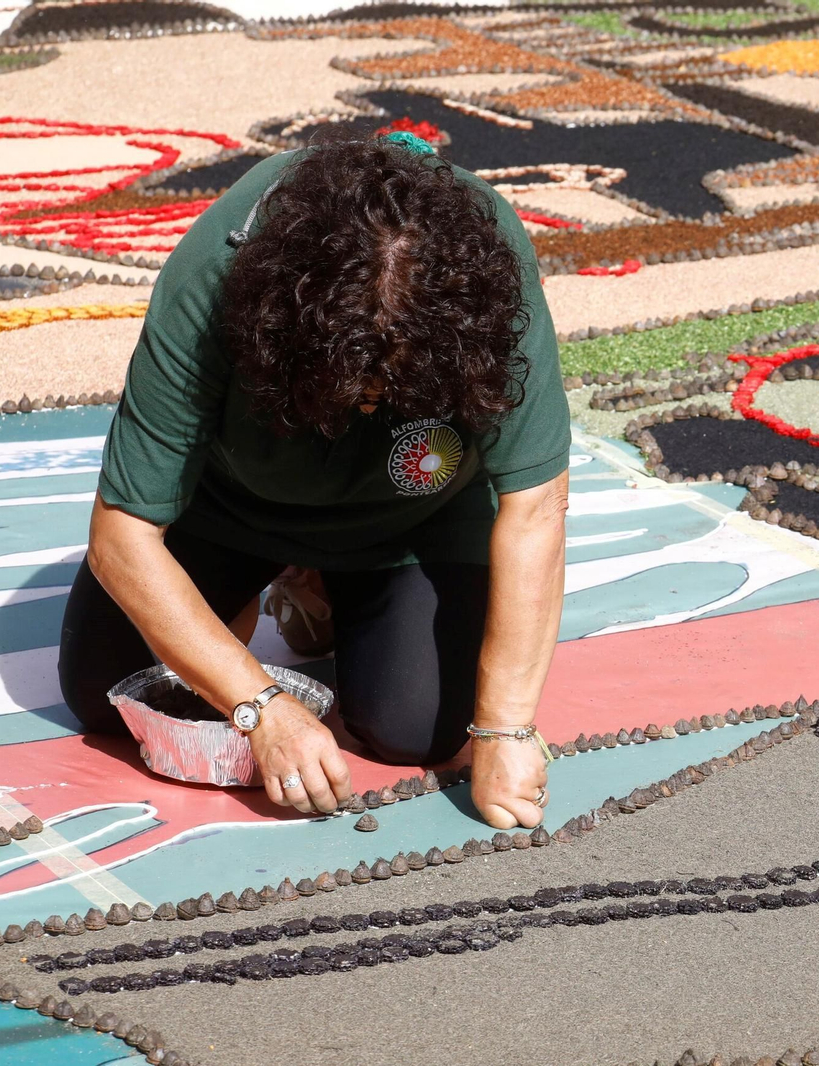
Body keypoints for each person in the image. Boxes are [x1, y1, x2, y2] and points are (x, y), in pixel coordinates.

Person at [57, 134, 569, 831]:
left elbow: (536, 506)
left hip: (416, 517)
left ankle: (330, 583)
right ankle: (286, 569)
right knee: (107, 696)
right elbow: (121, 536)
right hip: (233, 503)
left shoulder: (490, 268)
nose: (371, 396)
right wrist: (259, 706)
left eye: (394, 376)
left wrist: (507, 730)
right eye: (353, 374)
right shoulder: (217, 269)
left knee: (417, 731)